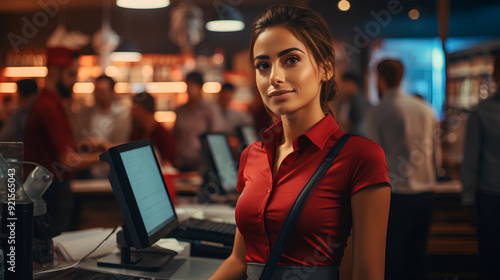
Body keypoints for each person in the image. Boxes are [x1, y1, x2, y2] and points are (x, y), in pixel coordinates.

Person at [209, 5, 391, 280]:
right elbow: (238, 260)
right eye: (263, 65)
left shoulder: (360, 156)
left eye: (291, 60)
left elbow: (368, 275)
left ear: (326, 68)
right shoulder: (252, 155)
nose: (274, 77)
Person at [366, 59, 439, 280]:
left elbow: (373, 160)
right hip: (426, 191)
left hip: (396, 193)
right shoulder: (426, 108)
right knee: (418, 256)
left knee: (394, 258)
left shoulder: (378, 112)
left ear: (380, 79)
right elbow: (436, 153)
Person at [24, 47, 110, 231]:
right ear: (54, 72)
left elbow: (55, 150)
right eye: (71, 74)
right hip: (51, 192)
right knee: (58, 250)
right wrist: (107, 156)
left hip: (45, 190)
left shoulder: (46, 103)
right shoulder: (50, 108)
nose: (75, 81)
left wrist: (82, 146)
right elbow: (67, 160)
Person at [461, 54, 500, 280]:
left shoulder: (481, 112)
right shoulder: (481, 112)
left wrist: (467, 199)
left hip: (491, 198)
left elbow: (471, 161)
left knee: (490, 261)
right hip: (490, 197)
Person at [173, 72, 224, 172]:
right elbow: (175, 135)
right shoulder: (180, 110)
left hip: (202, 165)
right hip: (181, 164)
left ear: (200, 87)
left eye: (194, 85)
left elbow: (216, 136)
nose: (190, 88)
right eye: (188, 85)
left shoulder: (210, 109)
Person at [72, 75, 131, 145]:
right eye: (96, 90)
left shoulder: (122, 115)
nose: (99, 94)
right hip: (87, 154)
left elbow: (121, 142)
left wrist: (102, 145)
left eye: (102, 91)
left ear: (112, 92)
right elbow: (76, 137)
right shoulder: (85, 112)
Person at [130, 91, 176, 166]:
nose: (131, 109)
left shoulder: (164, 135)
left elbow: (167, 165)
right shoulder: (136, 132)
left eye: (134, 105)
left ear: (141, 108)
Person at [340, 72, 369, 136]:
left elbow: (359, 126)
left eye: (345, 85)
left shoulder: (359, 100)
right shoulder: (346, 100)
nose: (343, 88)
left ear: (352, 84)